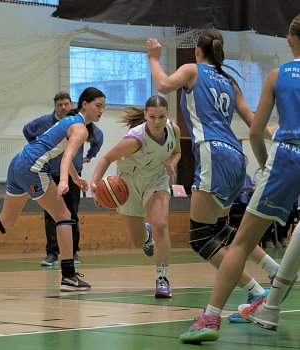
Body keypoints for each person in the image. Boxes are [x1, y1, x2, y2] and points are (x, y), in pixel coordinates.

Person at [178, 15, 300, 342]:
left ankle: (213, 317)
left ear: (289, 40)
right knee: (229, 231)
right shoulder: (228, 82)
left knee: (235, 240)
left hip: (285, 158)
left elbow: (257, 131)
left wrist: (264, 168)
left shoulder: (279, 75)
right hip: (236, 158)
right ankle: (270, 299)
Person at [147, 29, 280, 322]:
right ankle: (272, 270)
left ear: (198, 51)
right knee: (220, 230)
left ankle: (257, 292)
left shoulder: (192, 69)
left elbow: (163, 84)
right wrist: (278, 132)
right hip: (236, 157)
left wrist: (154, 58)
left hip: (213, 154)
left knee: (199, 238)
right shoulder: (230, 82)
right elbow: (255, 121)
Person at [0, 87, 106, 292]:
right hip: (33, 168)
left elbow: (60, 154)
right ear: (85, 104)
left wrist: (75, 178)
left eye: (103, 106)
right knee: (64, 216)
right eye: (98, 106)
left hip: (18, 164)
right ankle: (69, 276)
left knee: (6, 219)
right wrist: (65, 182)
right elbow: (67, 156)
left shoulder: (69, 121)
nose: (101, 110)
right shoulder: (80, 128)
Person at [91, 95, 181, 298]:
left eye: (161, 117)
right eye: (152, 117)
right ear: (145, 116)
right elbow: (106, 158)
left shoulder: (173, 129)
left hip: (156, 180)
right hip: (129, 184)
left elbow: (177, 152)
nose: (157, 122)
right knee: (137, 240)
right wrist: (95, 184)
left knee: (160, 224)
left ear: (168, 115)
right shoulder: (135, 139)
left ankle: (162, 278)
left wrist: (171, 165)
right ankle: (146, 235)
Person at [23, 91, 103, 266]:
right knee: (53, 214)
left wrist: (88, 157)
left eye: (66, 104)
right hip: (48, 172)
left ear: (71, 104)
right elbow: (27, 130)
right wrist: (36, 147)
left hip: (69, 174)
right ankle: (52, 253)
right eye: (60, 104)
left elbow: (98, 139)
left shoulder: (79, 124)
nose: (64, 107)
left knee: (70, 213)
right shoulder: (54, 122)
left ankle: (72, 252)